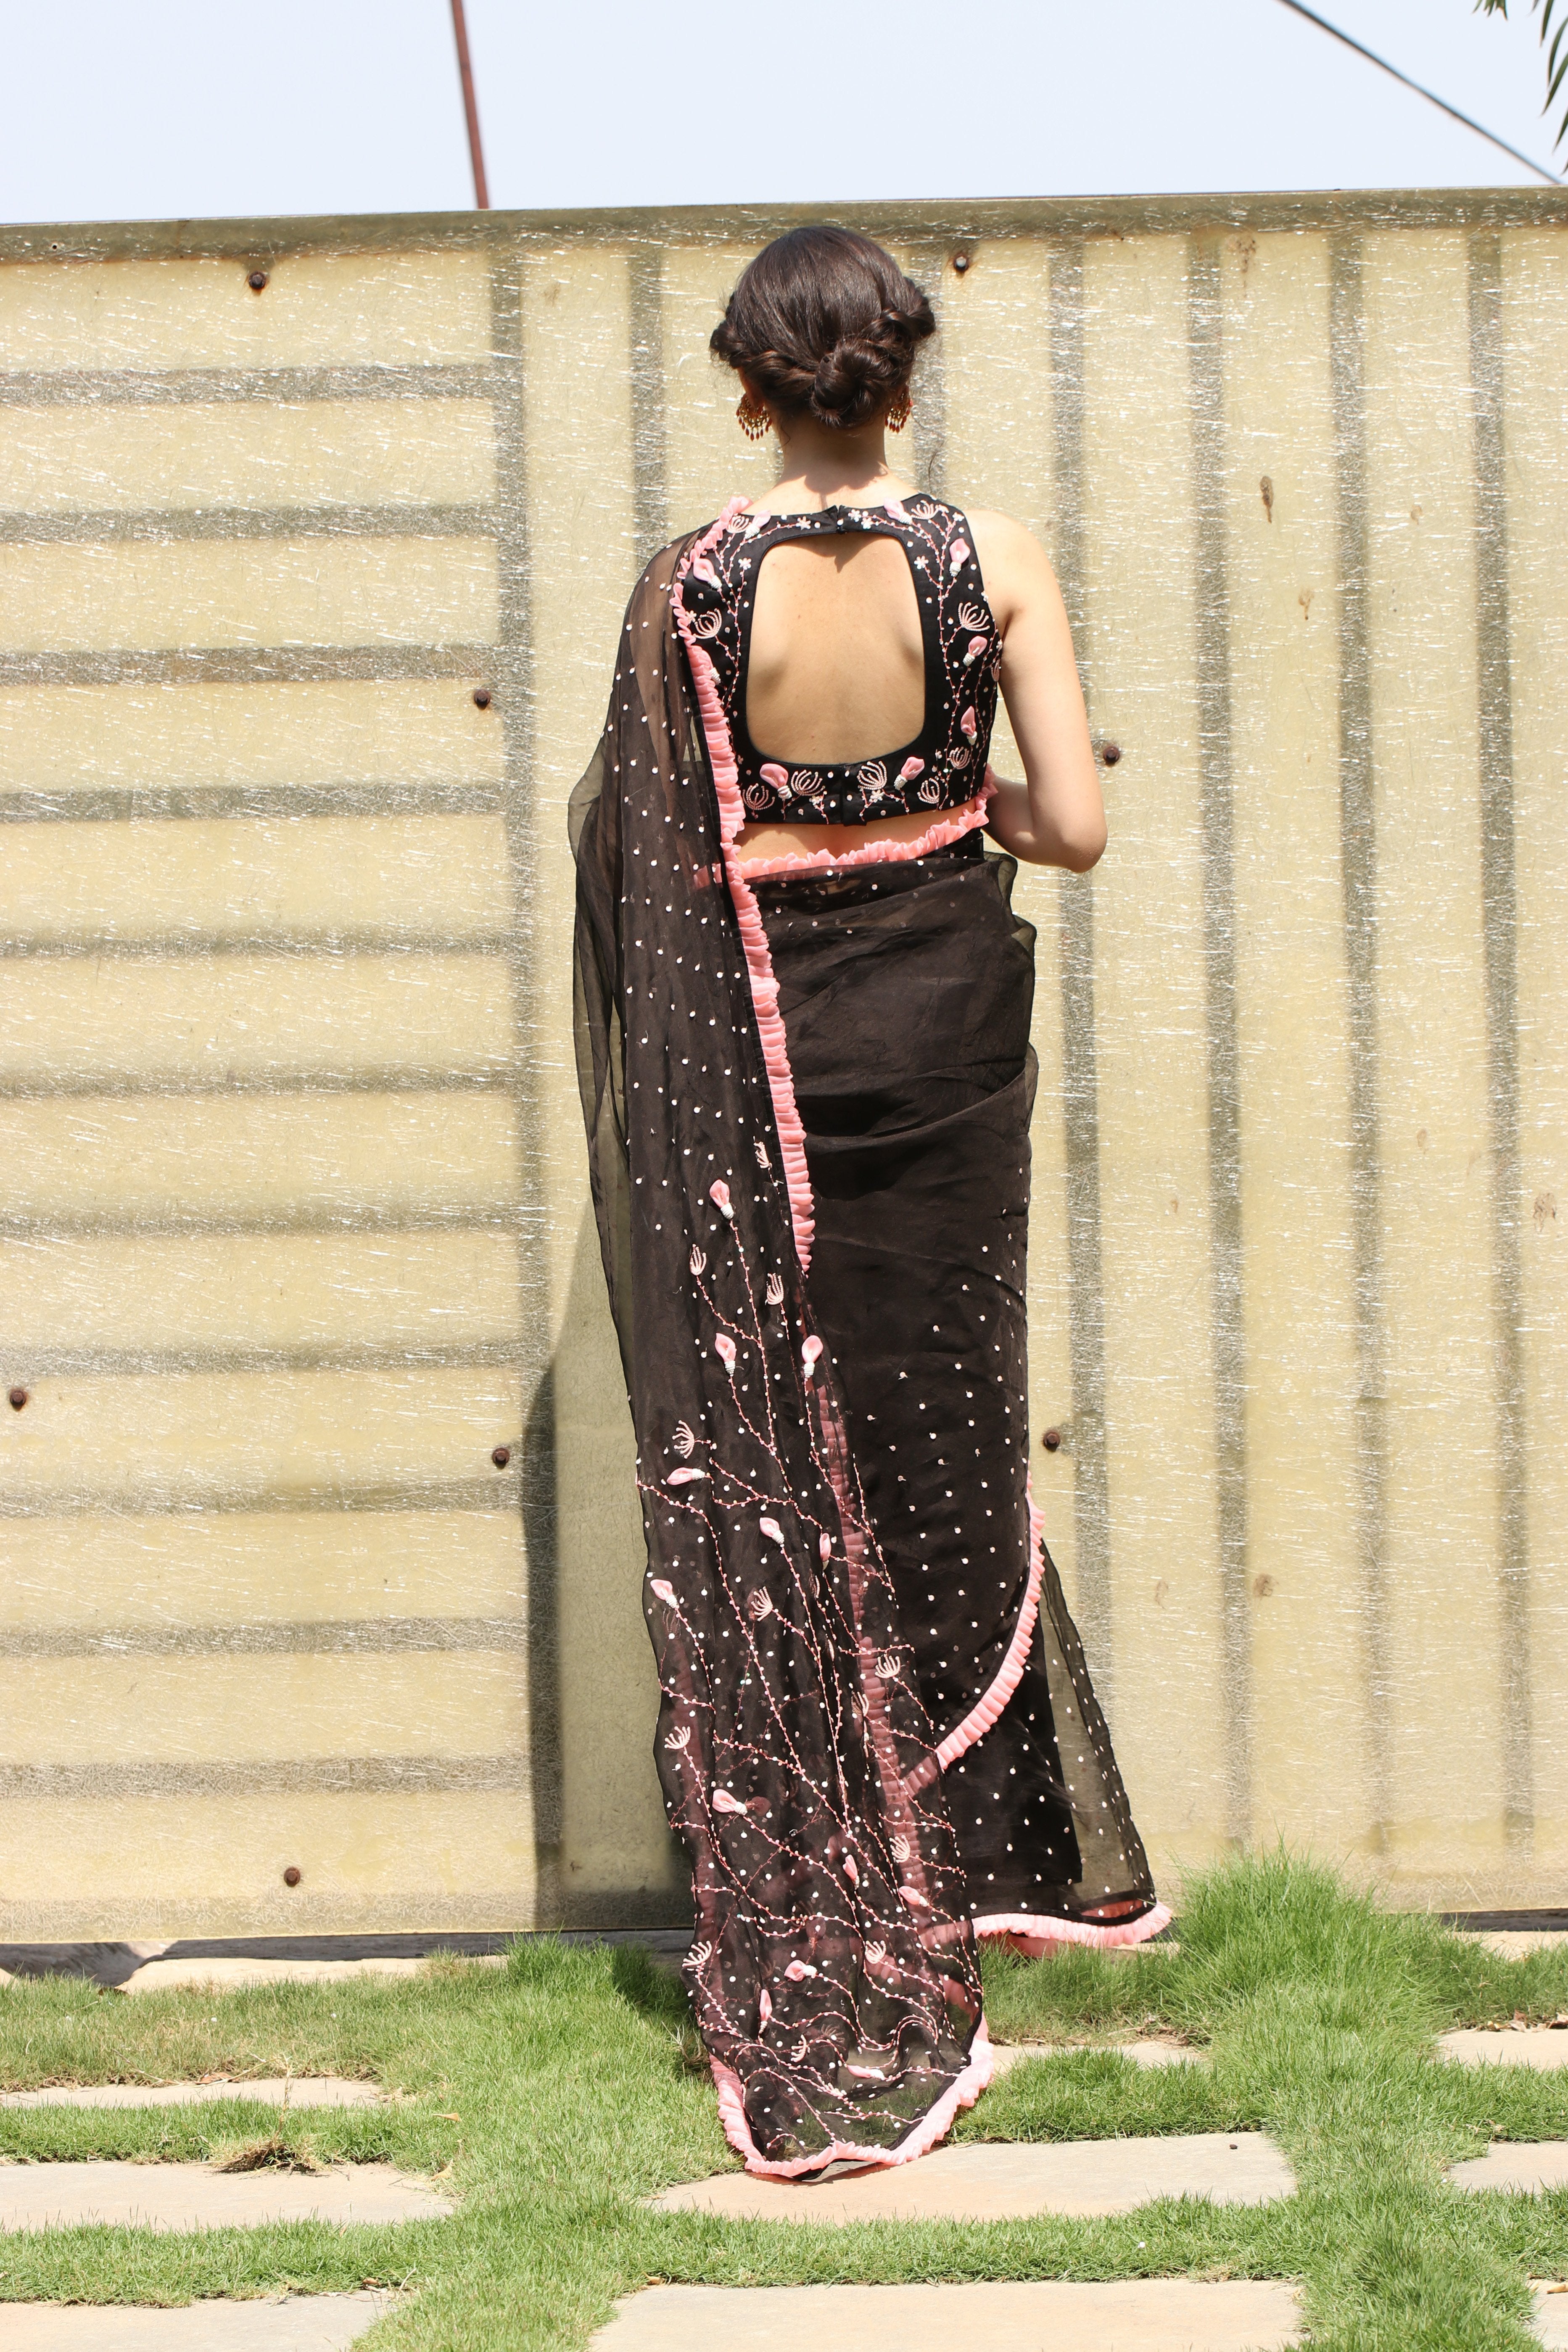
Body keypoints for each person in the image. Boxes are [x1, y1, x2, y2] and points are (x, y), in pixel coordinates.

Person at [571, 225, 1168, 2180]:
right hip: (943, 1051)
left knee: (778, 1461)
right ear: (901, 380)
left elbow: (654, 856)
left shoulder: (688, 588)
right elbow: (1075, 825)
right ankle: (973, 1876)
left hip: (768, 1065)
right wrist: (957, 806)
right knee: (942, 1443)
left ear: (751, 391)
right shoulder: (995, 561)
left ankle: (839, 1886)